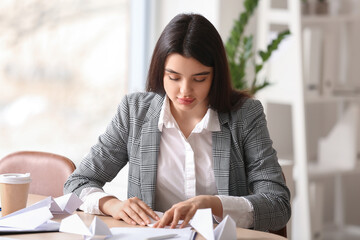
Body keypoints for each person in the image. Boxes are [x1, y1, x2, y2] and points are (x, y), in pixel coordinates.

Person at [64, 13, 291, 232]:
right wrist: (112, 205)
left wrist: (214, 204)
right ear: (160, 72)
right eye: (173, 77)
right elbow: (78, 182)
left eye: (199, 78)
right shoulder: (135, 112)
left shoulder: (244, 115)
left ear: (216, 76)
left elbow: (277, 204)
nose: (185, 91)